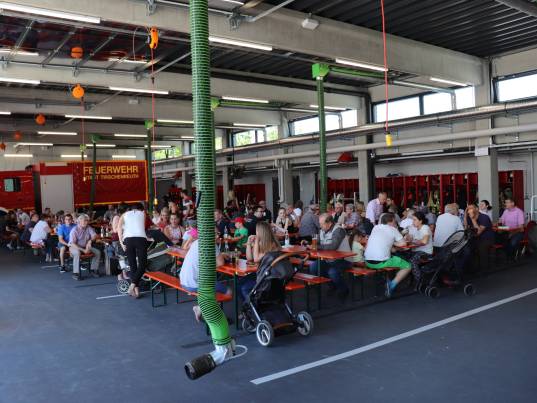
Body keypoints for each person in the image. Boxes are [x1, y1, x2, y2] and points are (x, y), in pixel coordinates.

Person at [179, 238, 231, 322]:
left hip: (183, 281)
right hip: (194, 284)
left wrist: (220, 254)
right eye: (217, 234)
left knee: (213, 287)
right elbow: (220, 263)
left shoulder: (196, 242)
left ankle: (202, 308)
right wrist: (220, 256)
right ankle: (215, 317)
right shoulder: (212, 243)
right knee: (228, 292)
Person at [364, 213, 411, 297]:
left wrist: (391, 243)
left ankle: (387, 280)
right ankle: (392, 285)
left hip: (367, 261)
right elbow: (403, 244)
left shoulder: (375, 227)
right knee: (408, 266)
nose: (395, 223)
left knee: (392, 256)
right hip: (381, 262)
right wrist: (394, 242)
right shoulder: (393, 229)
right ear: (390, 222)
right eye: (394, 222)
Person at [308, 213, 352, 301]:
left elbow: (333, 246)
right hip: (329, 259)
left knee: (332, 272)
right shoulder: (322, 230)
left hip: (344, 259)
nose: (320, 226)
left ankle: (343, 289)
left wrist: (316, 247)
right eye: (319, 224)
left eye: (322, 224)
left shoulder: (338, 230)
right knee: (313, 267)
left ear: (329, 223)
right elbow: (318, 243)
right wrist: (310, 244)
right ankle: (332, 284)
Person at [243, 221, 282, 300]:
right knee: (240, 282)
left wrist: (256, 241)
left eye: (256, 230)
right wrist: (248, 243)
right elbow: (249, 258)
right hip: (264, 273)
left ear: (261, 232)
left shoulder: (272, 244)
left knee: (244, 288)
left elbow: (256, 259)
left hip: (269, 278)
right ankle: (252, 302)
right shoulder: (264, 243)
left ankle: (253, 304)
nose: (255, 232)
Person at [117, 203, 148, 297]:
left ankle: (136, 291)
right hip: (140, 239)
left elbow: (119, 228)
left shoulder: (124, 215)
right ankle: (132, 286)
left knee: (132, 265)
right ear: (141, 209)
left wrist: (121, 243)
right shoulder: (143, 214)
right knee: (142, 265)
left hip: (128, 240)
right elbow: (142, 227)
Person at [69, 214, 100, 281]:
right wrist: (83, 250)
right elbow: (72, 243)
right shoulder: (74, 230)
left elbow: (95, 235)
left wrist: (90, 241)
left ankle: (93, 269)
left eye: (87, 220)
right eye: (85, 220)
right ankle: (75, 273)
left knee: (97, 252)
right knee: (77, 253)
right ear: (79, 222)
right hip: (75, 247)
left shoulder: (88, 227)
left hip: (86, 246)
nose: (86, 222)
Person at [464, 204, 494, 271]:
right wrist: (465, 216)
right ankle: (470, 268)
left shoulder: (484, 217)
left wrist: (472, 219)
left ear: (477, 209)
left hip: (486, 238)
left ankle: (484, 269)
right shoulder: (468, 217)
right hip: (474, 238)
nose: (469, 210)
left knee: (481, 247)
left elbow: (478, 232)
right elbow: (466, 228)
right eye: (468, 209)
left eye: (471, 208)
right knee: (466, 247)